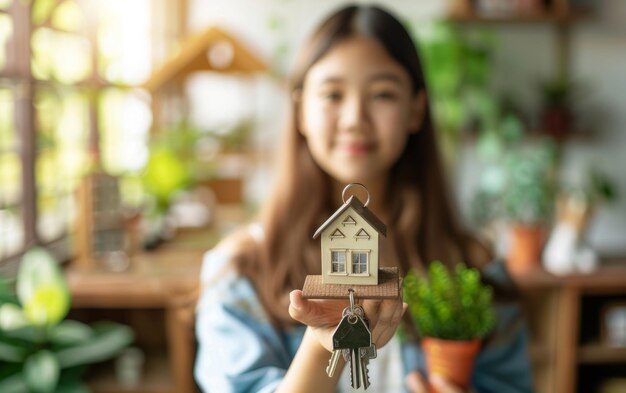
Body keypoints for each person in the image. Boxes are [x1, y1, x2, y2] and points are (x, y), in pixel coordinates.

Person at [194, 4, 534, 393]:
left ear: (416, 110)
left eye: (383, 94)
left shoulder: (475, 270)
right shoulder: (242, 270)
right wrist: (322, 346)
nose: (355, 117)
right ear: (301, 109)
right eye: (333, 94)